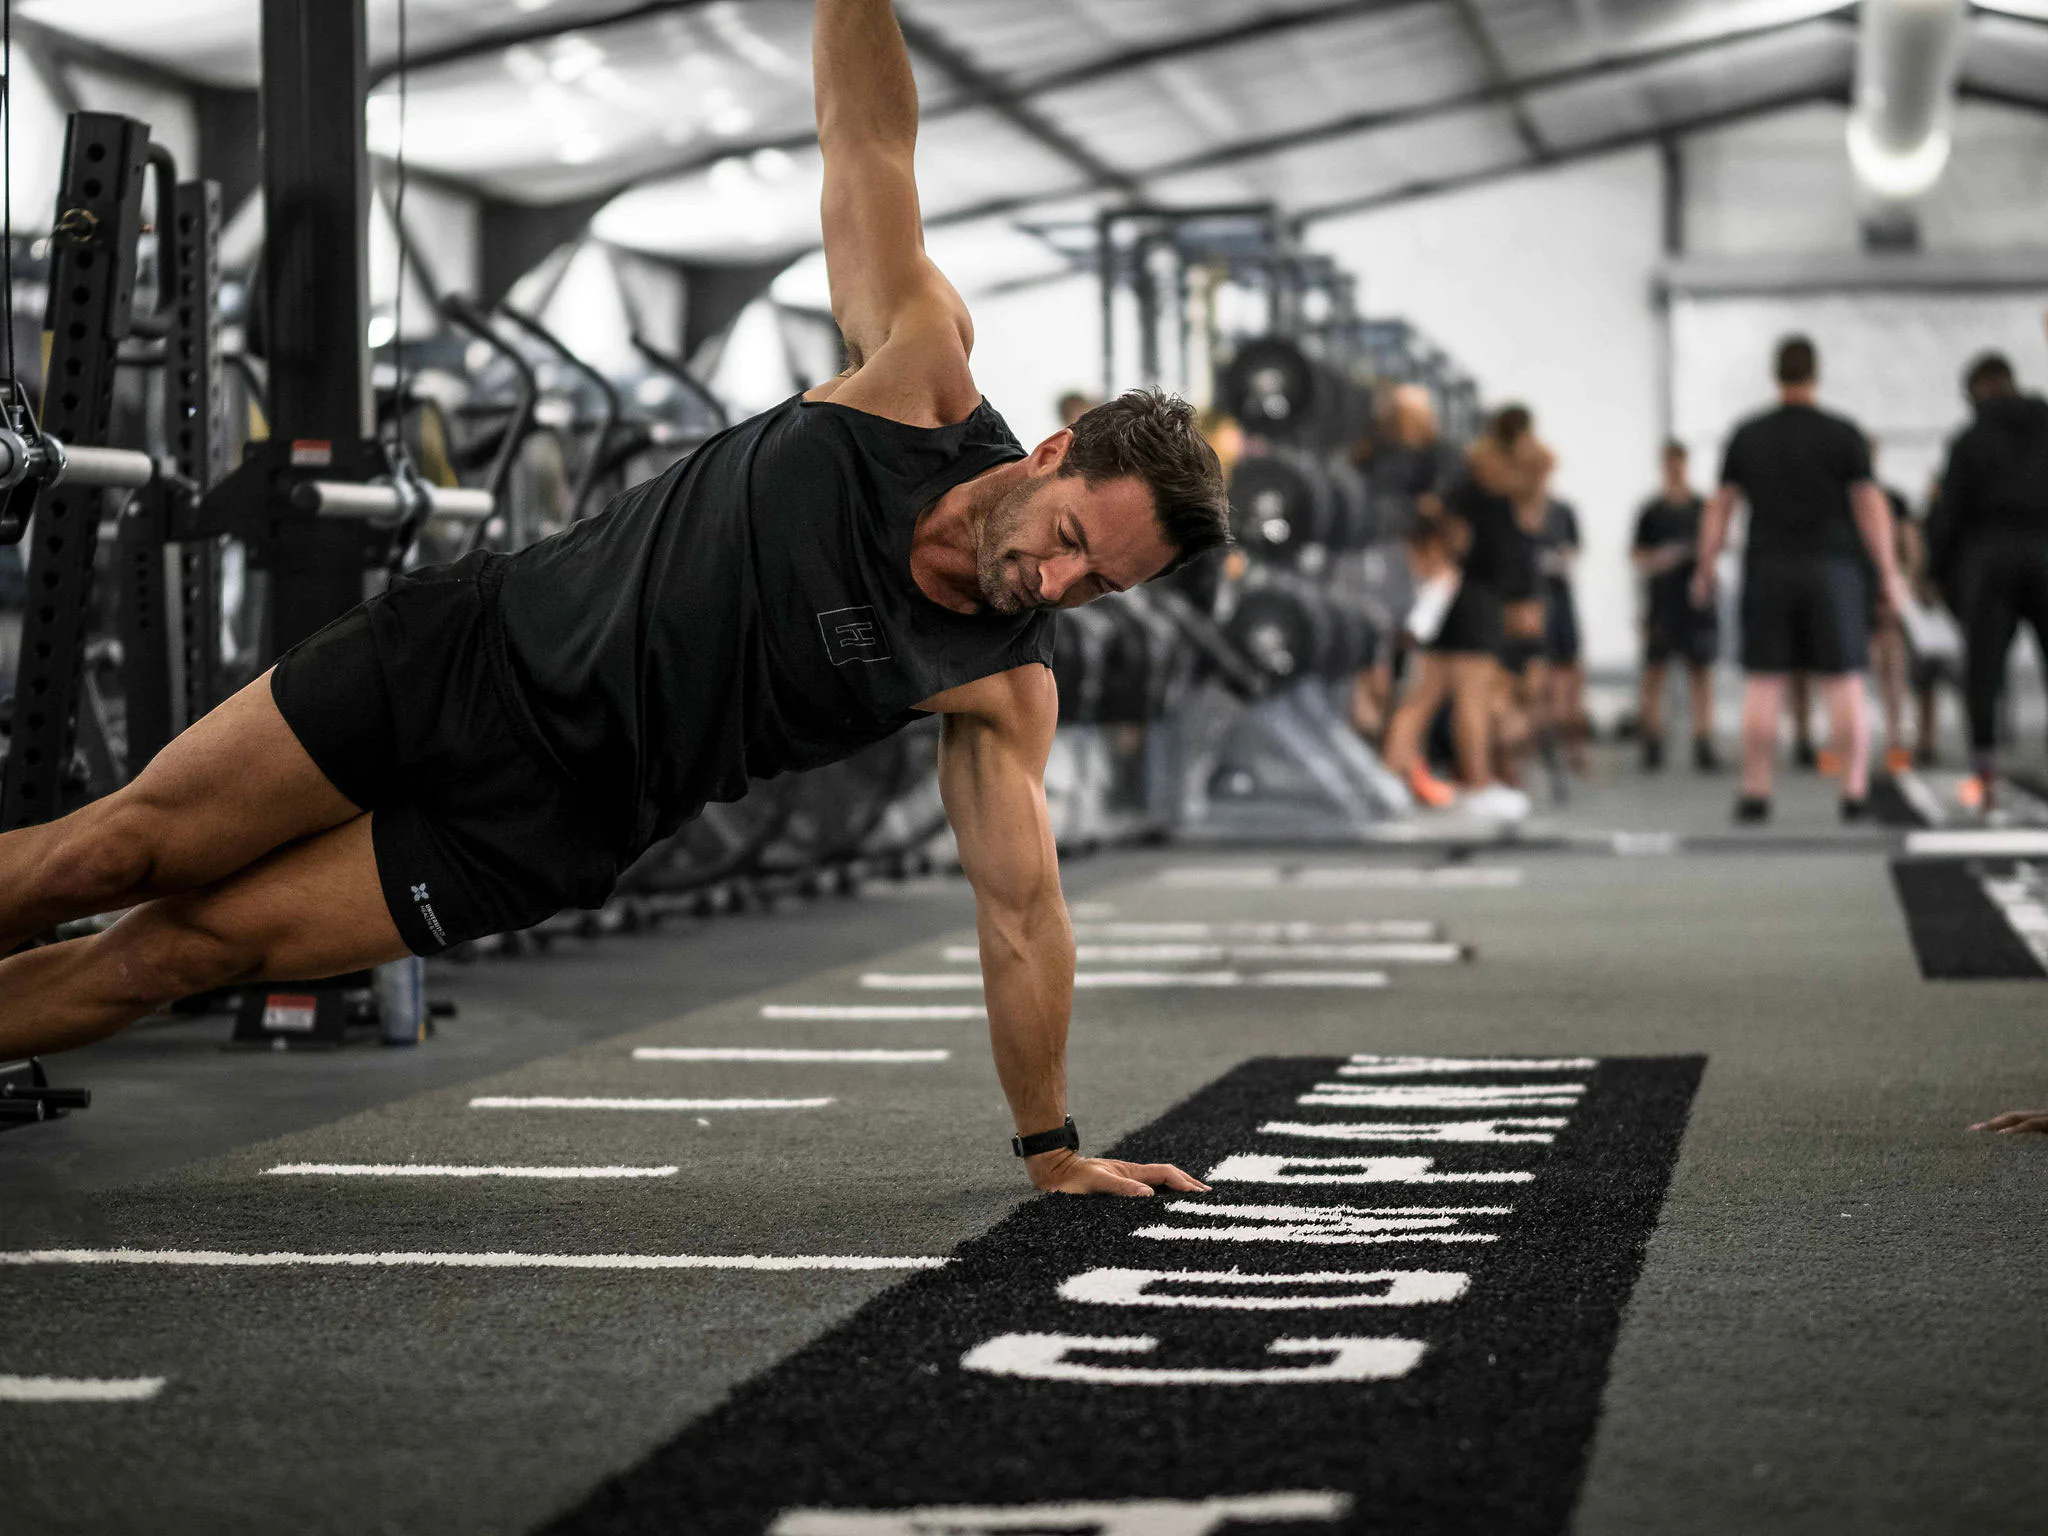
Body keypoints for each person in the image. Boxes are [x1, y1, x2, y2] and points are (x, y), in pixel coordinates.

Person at [0, 0, 1222, 1201]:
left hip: (540, 825)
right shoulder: (914, 372)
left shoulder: (1003, 683)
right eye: (1068, 544)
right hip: (461, 651)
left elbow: (1021, 915)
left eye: (1098, 586)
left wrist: (1051, 1144)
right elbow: (867, 142)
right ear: (1056, 450)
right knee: (113, 849)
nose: (1055, 585)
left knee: (178, 951)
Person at [1693, 335, 1906, 823]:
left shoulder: (1748, 434)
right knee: (1844, 681)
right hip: (1833, 568)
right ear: (1816, 373)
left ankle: (1755, 791)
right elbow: (1871, 506)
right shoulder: (1843, 432)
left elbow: (1721, 505)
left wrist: (1705, 567)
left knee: (1764, 682)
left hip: (1768, 566)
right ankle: (1853, 792)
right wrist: (1890, 572)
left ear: (1776, 374)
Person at [1381, 405, 1543, 820]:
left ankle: (1385, 780)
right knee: (1471, 697)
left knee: (1425, 696)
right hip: (1478, 597)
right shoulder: (1508, 478)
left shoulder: (1471, 477)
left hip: (1464, 595)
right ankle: (1476, 785)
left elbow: (1441, 520)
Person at [1925, 351, 2048, 811]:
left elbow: (1948, 514)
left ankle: (1984, 774)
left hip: (1989, 559)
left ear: (1977, 390)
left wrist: (1933, 573)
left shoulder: (1970, 439)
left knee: (1983, 669)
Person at [1632, 440, 1718, 772]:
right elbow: (1637, 555)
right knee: (1655, 671)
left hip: (1696, 600)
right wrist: (1662, 558)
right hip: (1662, 600)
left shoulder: (1702, 507)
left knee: (1701, 671)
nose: (1675, 469)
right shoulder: (1652, 510)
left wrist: (1700, 556)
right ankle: (1651, 740)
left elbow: (1720, 543)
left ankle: (1703, 740)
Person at [1536, 494, 1588, 775]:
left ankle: (1573, 746)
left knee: (1570, 675)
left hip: (1559, 602)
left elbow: (1572, 551)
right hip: (1528, 603)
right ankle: (1541, 744)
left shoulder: (1562, 511)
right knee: (1538, 678)